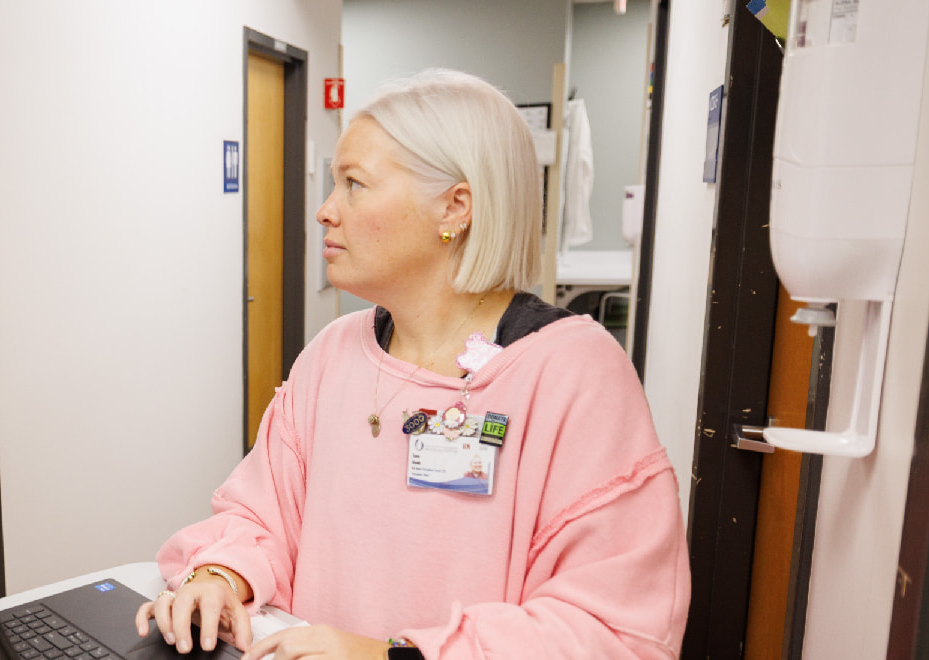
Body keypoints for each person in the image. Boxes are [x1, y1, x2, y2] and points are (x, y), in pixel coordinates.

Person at [133, 70, 688, 659]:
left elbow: (613, 631)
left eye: (354, 184)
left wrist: (390, 656)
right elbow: (263, 514)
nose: (325, 211)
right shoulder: (333, 354)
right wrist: (220, 577)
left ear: (455, 206)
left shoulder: (572, 373)